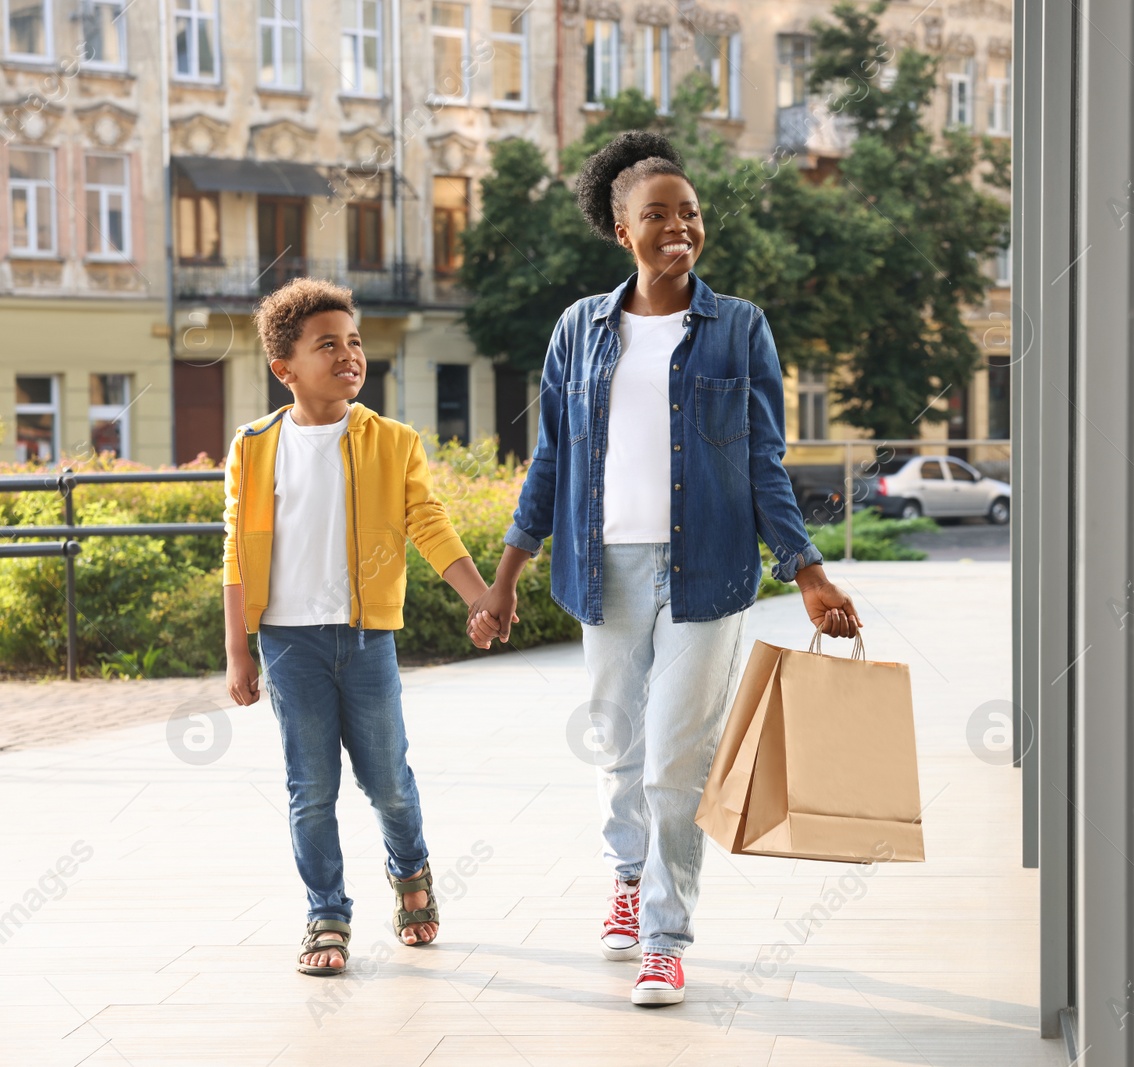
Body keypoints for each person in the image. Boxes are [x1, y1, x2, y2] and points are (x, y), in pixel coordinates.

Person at [469, 131, 863, 1006]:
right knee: (618, 744)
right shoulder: (579, 329)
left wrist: (806, 569)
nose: (679, 227)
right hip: (599, 566)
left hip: (710, 570)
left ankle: (665, 936)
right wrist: (505, 575)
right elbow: (551, 460)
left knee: (675, 760)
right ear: (623, 231)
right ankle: (624, 872)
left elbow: (765, 460)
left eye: (690, 213)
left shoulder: (740, 328)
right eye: (657, 215)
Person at [222, 278, 500, 976]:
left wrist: (481, 596)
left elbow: (427, 523)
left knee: (389, 782)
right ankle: (327, 912)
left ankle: (411, 872)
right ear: (284, 368)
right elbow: (234, 551)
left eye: (353, 342)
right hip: (288, 641)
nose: (348, 355)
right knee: (309, 787)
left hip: (366, 638)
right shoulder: (254, 446)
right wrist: (238, 652)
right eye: (327, 345)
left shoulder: (391, 441)